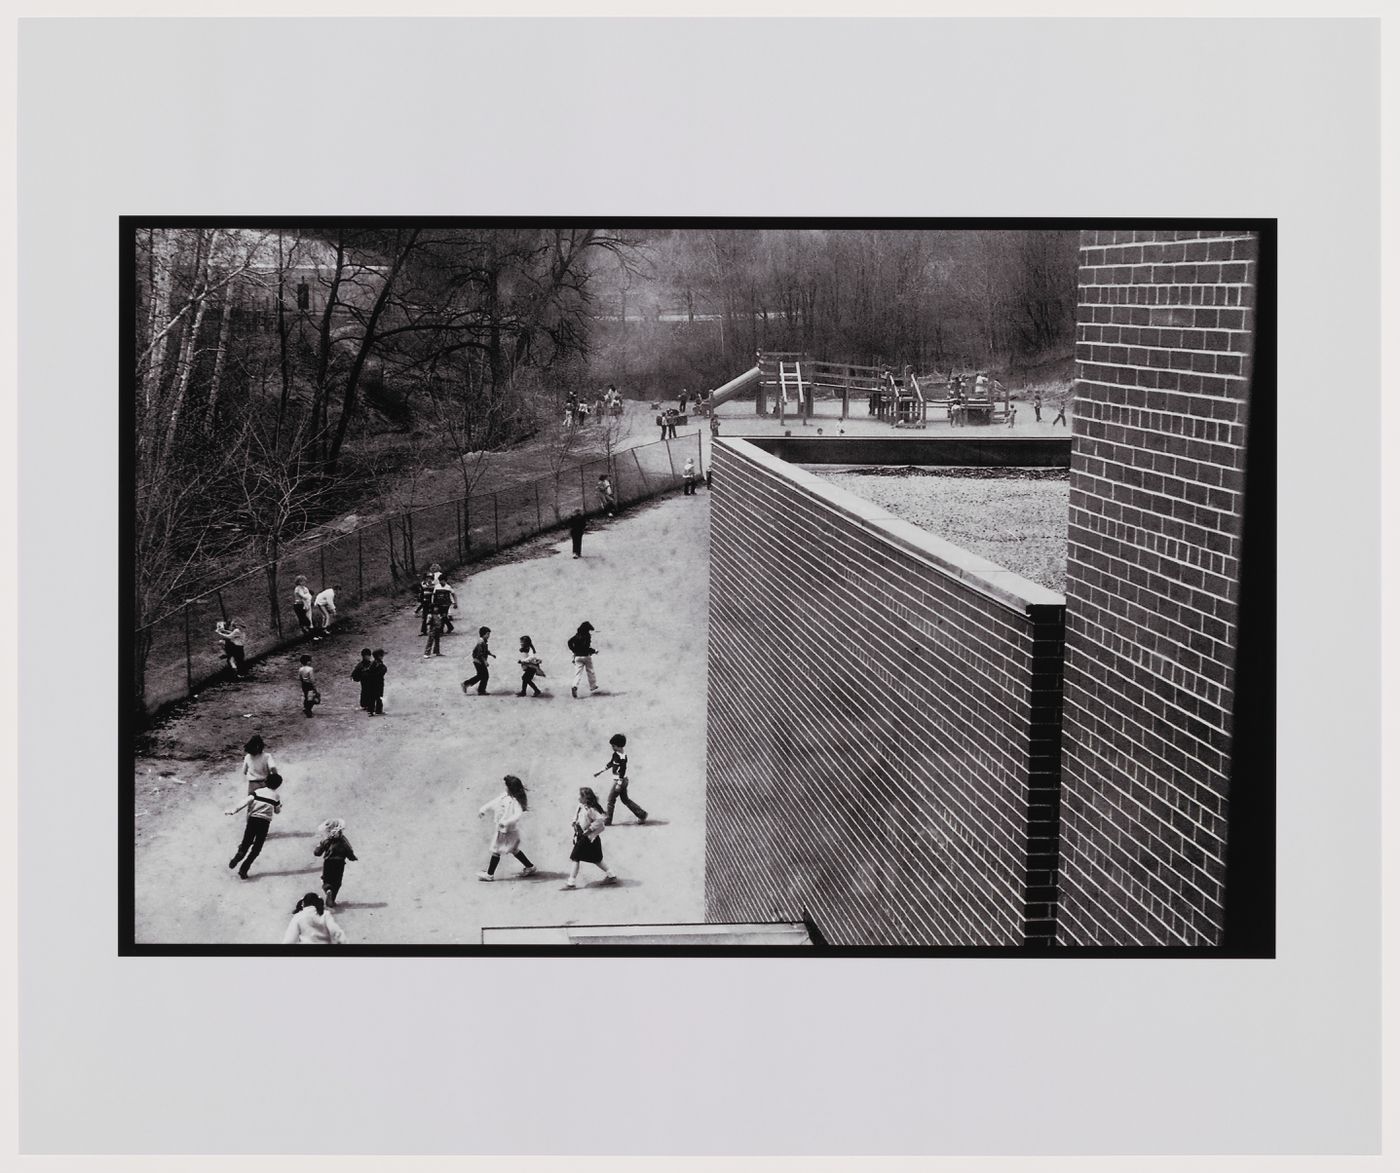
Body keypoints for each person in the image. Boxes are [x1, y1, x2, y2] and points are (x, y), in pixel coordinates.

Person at [477, 775, 537, 881]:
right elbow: (494, 802)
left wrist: (505, 822)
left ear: (510, 788)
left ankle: (489, 874)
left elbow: (517, 815)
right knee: (514, 849)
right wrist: (483, 809)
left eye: (506, 786)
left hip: (506, 831)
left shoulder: (514, 801)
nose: (504, 788)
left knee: (496, 850)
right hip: (509, 831)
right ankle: (530, 867)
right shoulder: (504, 796)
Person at [225, 773, 283, 879]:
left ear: (266, 781)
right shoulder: (276, 796)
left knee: (246, 842)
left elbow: (245, 802)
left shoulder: (257, 792)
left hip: (253, 820)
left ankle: (239, 856)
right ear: (278, 785)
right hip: (264, 823)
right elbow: (277, 811)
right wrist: (279, 806)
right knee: (257, 848)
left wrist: (233, 810)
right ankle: (244, 869)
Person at [566, 787, 617, 888]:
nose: (578, 797)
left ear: (586, 798)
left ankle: (571, 882)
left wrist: (589, 829)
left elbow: (600, 820)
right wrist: (574, 821)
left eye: (580, 796)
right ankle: (611, 875)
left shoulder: (591, 809)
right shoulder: (581, 806)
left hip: (588, 837)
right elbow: (577, 815)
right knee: (596, 859)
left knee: (575, 858)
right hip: (585, 837)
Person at [601, 733, 647, 826]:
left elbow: (622, 771)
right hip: (621, 781)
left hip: (620, 781)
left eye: (613, 746)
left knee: (610, 799)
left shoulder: (622, 757)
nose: (612, 747)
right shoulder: (615, 754)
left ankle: (607, 821)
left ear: (619, 746)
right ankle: (642, 814)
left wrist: (619, 783)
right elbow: (611, 763)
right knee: (625, 800)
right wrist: (602, 770)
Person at [312, 818, 358, 908]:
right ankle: (332, 899)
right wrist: (352, 857)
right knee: (337, 882)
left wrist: (318, 848)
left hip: (328, 862)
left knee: (327, 879)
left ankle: (328, 890)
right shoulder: (344, 841)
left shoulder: (326, 840)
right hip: (340, 863)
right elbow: (349, 851)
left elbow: (317, 853)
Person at [281, 892, 347, 945]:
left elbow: (290, 939)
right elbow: (336, 932)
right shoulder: (325, 914)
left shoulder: (298, 916)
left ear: (303, 904)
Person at [568, 621, 598, 699]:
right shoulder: (587, 636)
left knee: (577, 674)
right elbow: (586, 648)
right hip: (586, 656)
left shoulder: (577, 635)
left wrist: (574, 650)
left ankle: (574, 686)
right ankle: (593, 686)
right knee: (590, 671)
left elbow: (569, 642)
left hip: (577, 657)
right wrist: (594, 651)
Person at [461, 627, 495, 695]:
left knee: (482, 675)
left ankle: (470, 685)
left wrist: (491, 654)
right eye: (487, 634)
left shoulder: (483, 641)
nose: (489, 636)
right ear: (483, 634)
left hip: (479, 661)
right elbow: (480, 654)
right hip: (478, 661)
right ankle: (475, 688)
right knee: (484, 676)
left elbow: (485, 651)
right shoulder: (481, 642)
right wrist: (485, 661)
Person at [351, 648, 374, 712]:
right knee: (364, 702)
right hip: (365, 686)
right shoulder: (360, 666)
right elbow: (354, 676)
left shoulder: (373, 664)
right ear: (363, 656)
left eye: (369, 655)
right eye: (366, 656)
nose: (368, 657)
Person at [365, 648, 387, 715]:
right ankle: (378, 710)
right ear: (379, 656)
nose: (383, 656)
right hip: (377, 683)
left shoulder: (373, 663)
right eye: (382, 655)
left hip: (372, 683)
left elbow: (368, 671)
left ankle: (371, 711)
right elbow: (381, 671)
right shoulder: (378, 663)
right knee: (378, 697)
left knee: (372, 697)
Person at [414, 570, 436, 636]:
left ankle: (433, 630)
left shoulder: (434, 586)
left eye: (430, 578)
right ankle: (424, 631)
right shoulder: (423, 585)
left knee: (433, 616)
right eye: (427, 578)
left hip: (432, 602)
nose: (429, 579)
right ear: (425, 578)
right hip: (425, 602)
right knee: (424, 617)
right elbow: (421, 593)